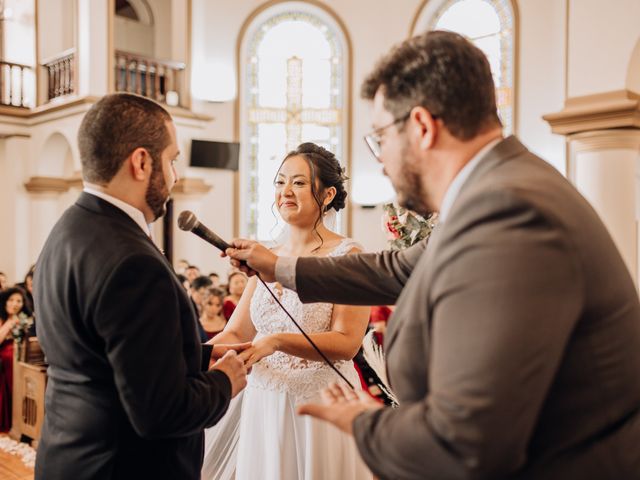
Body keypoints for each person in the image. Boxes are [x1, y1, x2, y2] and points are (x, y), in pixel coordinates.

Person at [226, 31, 640, 479]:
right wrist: (278, 267)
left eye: (381, 137)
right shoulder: (498, 188)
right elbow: (398, 267)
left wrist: (365, 424)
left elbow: (468, 439)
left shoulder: (510, 209)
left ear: (422, 126)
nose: (381, 160)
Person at [33, 93, 248, 480]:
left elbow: (100, 356)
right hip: (123, 466)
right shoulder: (134, 263)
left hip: (69, 455)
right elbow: (160, 412)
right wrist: (222, 382)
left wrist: (198, 357)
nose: (175, 176)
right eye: (172, 160)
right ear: (142, 162)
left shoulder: (66, 229)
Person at [203, 143, 372, 480]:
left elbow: (347, 342)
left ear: (327, 195)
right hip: (264, 403)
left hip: (321, 401)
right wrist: (193, 356)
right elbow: (237, 333)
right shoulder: (265, 254)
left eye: (298, 183)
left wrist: (277, 341)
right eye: (280, 182)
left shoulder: (348, 255)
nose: (285, 192)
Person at [0, 287, 30, 432]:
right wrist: (10, 323)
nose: (15, 304)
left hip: (21, 357)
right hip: (4, 359)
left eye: (19, 301)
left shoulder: (25, 318)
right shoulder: (2, 318)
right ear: (5, 302)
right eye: (11, 300)